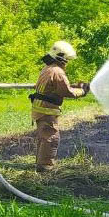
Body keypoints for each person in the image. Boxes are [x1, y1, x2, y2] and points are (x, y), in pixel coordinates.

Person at [30, 40, 90, 172]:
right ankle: (45, 167)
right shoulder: (58, 72)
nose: (67, 62)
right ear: (61, 57)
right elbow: (66, 92)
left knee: (44, 137)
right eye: (67, 59)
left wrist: (75, 85)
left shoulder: (48, 68)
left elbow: (57, 87)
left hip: (40, 109)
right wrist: (82, 91)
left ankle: (40, 164)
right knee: (51, 138)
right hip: (47, 110)